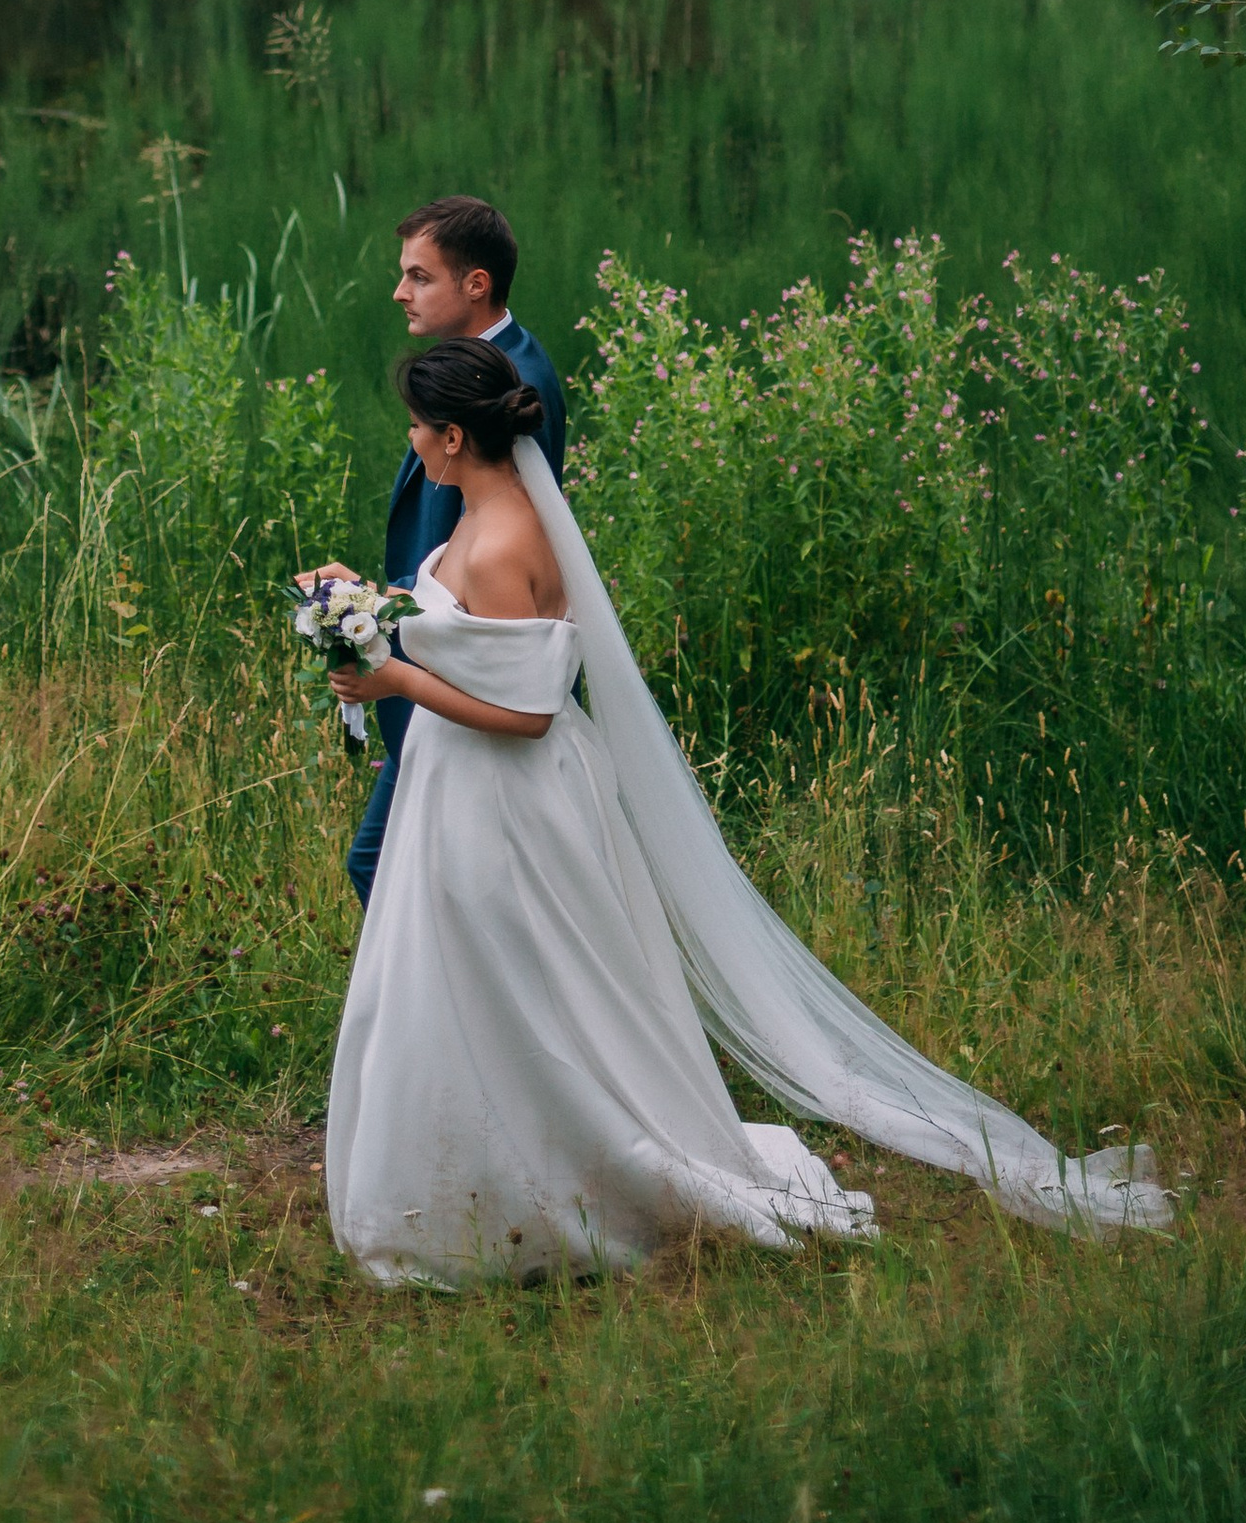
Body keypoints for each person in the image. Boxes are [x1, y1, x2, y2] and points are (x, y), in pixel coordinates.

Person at [322, 336, 1175, 1285]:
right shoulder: (486, 517)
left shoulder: (507, 538)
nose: (410, 442)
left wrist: (396, 673)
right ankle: (475, 1172)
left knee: (527, 992)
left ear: (449, 437)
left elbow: (526, 714)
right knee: (474, 989)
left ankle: (548, 1185)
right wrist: (361, 608)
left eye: (416, 428)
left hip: (504, 805)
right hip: (460, 796)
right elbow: (472, 642)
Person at [331, 195, 566, 912]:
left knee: (392, 872)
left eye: (419, 276)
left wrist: (373, 611)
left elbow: (487, 552)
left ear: (476, 284)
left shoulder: (507, 389)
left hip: (465, 676)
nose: (400, 292)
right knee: (400, 873)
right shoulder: (473, 369)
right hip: (443, 660)